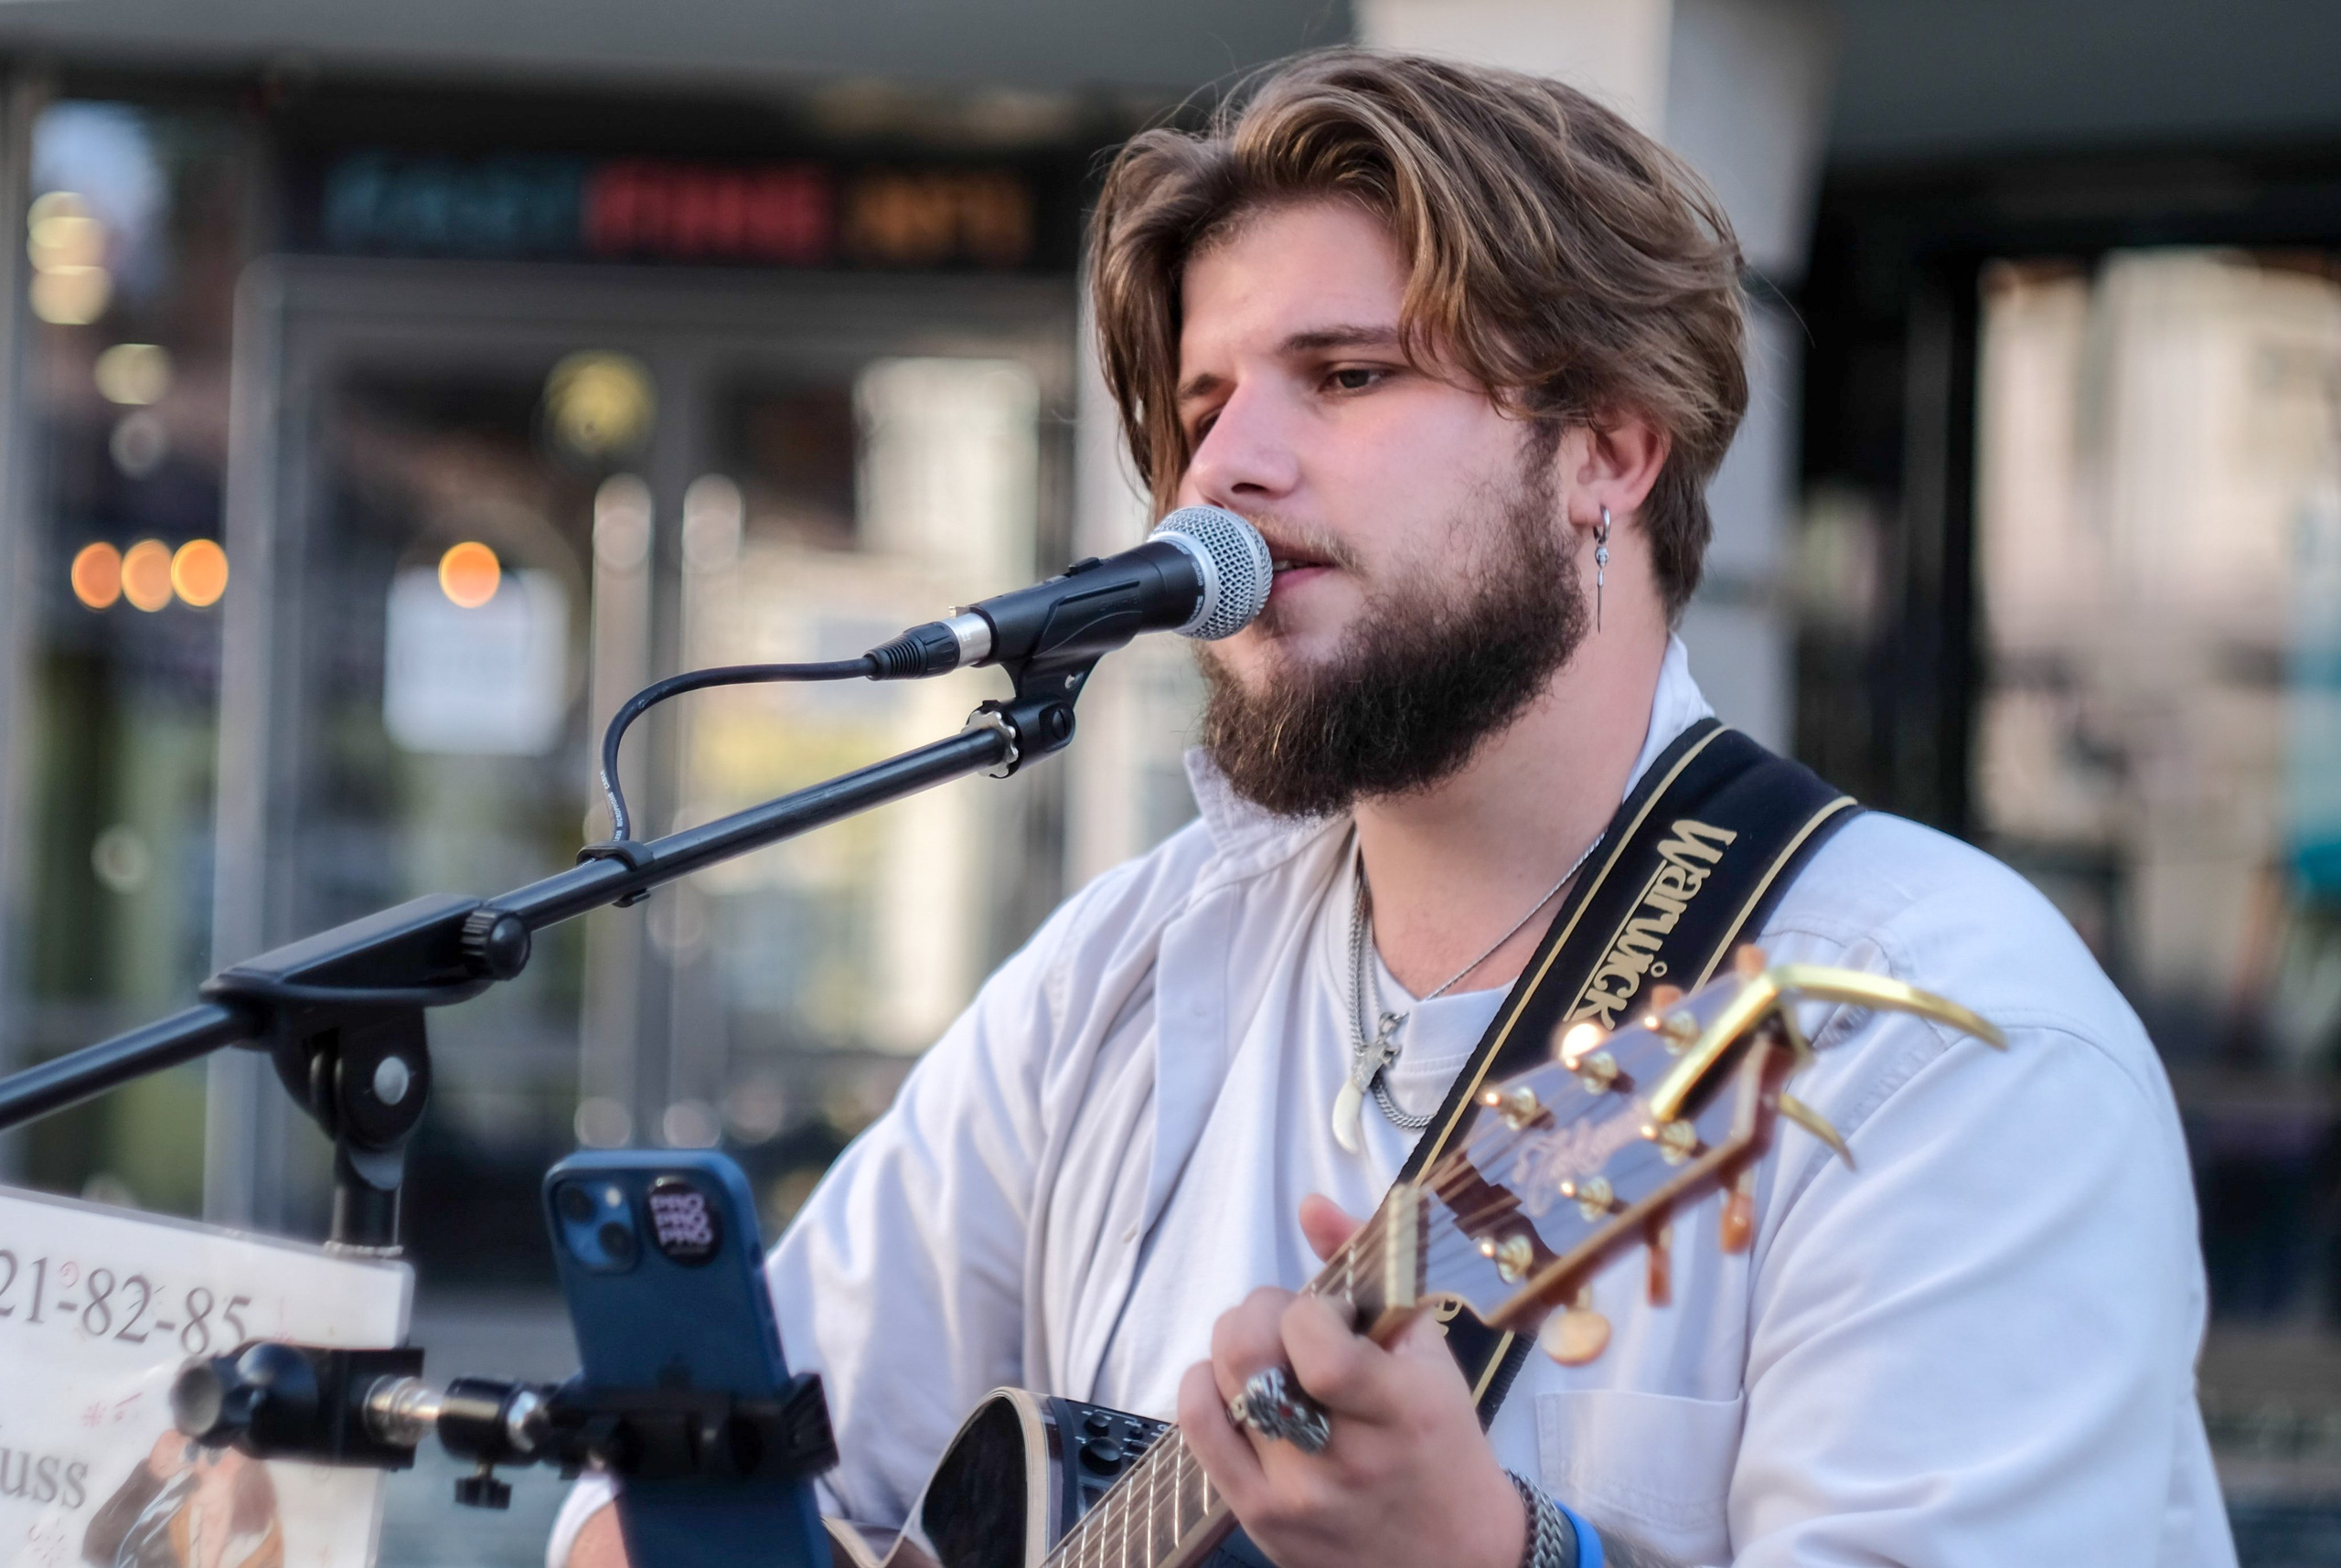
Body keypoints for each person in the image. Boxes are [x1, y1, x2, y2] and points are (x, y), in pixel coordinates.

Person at [559, 48, 2233, 1568]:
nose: (1225, 469)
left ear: (1612, 452)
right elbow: (657, 1507)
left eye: (1346, 376)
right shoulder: (1128, 977)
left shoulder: (1933, 1037)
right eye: (1203, 406)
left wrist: (1505, 1563)